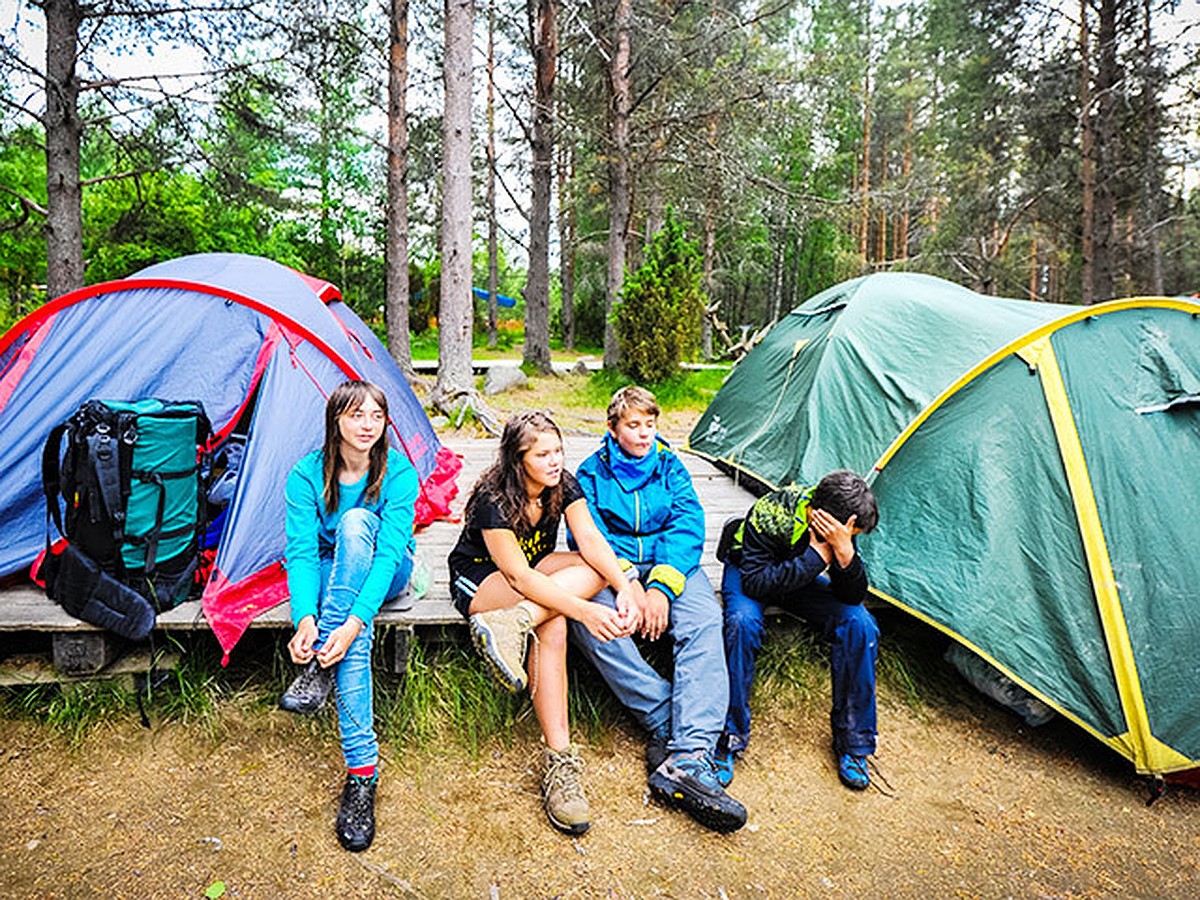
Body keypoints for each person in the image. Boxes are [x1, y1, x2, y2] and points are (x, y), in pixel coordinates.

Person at [448, 410, 641, 836]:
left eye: (558, 451)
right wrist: (584, 610)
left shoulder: (562, 484)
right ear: (518, 461)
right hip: (483, 579)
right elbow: (518, 576)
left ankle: (515, 625)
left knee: (602, 566)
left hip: (531, 574)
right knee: (557, 620)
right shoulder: (493, 500)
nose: (555, 461)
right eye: (543, 454)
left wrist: (624, 586)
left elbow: (590, 540)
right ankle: (561, 759)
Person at [570, 386, 747, 833]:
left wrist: (662, 589)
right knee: (591, 621)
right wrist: (628, 583)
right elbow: (586, 536)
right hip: (613, 570)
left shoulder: (671, 466)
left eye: (650, 424)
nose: (645, 433)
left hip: (673, 564)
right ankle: (665, 718)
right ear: (612, 428)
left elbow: (688, 524)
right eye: (633, 425)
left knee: (705, 621)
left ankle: (686, 757)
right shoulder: (590, 474)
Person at [279, 380, 419, 853]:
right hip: (330, 567)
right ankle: (363, 774)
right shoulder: (305, 475)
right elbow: (300, 554)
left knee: (359, 524)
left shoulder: (398, 473)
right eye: (356, 414)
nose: (367, 425)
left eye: (376, 416)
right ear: (335, 419)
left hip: (389, 568)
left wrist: (352, 621)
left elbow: (389, 555)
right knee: (346, 629)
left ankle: (319, 666)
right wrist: (304, 619)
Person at [719, 471, 880, 791]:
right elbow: (755, 582)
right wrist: (817, 556)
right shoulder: (773, 512)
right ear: (824, 517)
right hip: (750, 573)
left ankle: (854, 743)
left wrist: (845, 553)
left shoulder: (840, 527)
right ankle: (727, 737)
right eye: (849, 534)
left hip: (800, 576)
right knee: (742, 625)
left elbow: (851, 596)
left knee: (861, 624)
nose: (849, 537)